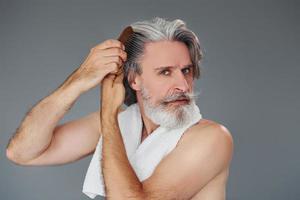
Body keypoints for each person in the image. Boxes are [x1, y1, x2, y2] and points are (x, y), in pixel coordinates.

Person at [6, 17, 234, 199]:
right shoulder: (124, 123)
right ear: (134, 79)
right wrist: (77, 81)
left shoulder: (211, 138)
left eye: (186, 70)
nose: (183, 85)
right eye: (165, 72)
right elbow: (22, 152)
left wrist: (107, 113)